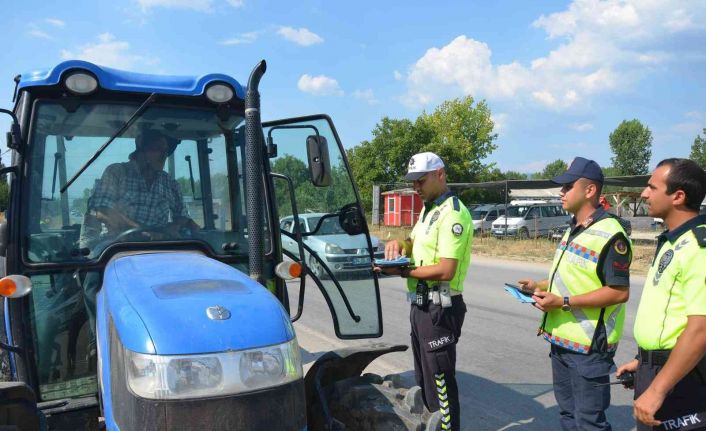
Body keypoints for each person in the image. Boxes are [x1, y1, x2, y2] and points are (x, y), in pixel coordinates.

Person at [518, 157, 632, 431]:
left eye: (568, 186)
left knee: (589, 422)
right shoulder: (575, 228)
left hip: (589, 349)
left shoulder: (610, 234)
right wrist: (539, 286)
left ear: (590, 190)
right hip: (561, 343)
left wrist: (564, 302)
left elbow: (618, 292)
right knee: (568, 417)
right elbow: (571, 278)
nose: (561, 192)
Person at [375, 152, 471, 431]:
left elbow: (445, 270)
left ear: (440, 174)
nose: (416, 187)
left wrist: (402, 271)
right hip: (421, 305)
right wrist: (398, 246)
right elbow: (412, 242)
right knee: (425, 379)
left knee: (441, 387)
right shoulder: (429, 210)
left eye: (421, 180)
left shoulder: (453, 213)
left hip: (440, 309)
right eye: (413, 181)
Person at [616, 158, 706, 430]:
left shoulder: (698, 248)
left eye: (652, 187)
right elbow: (669, 315)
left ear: (678, 196)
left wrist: (657, 389)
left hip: (683, 379)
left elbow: (700, 329)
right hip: (658, 369)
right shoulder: (673, 241)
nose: (644, 193)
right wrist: (643, 360)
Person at [86, 129, 197, 241]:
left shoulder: (170, 183)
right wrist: (144, 230)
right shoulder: (117, 172)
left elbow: (183, 216)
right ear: (142, 151)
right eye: (157, 149)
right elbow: (103, 212)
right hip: (116, 247)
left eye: (166, 151)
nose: (163, 156)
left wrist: (174, 227)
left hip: (159, 246)